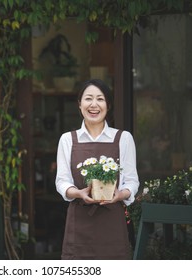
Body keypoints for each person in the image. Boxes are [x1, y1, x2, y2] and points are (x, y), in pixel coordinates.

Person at [55, 79, 139, 259]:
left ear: (108, 105)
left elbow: (132, 181)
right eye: (88, 99)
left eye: (100, 99)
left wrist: (120, 195)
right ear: (79, 104)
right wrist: (79, 193)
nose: (94, 105)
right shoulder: (67, 139)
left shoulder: (123, 138)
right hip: (79, 222)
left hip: (112, 222)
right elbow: (62, 181)